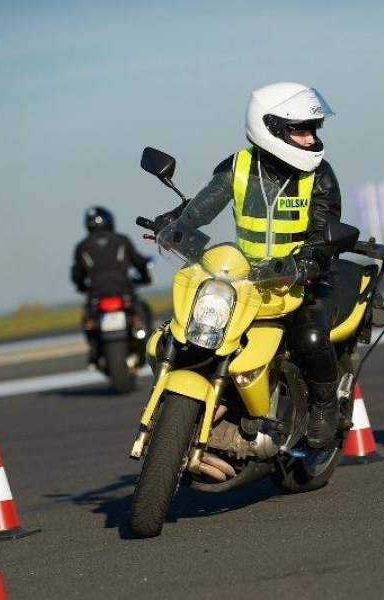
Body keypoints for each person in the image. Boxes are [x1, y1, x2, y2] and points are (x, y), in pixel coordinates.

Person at [153, 82, 343, 449]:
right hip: (245, 279)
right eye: (299, 129)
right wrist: (174, 223)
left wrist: (311, 260)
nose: (310, 138)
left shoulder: (319, 175)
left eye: (312, 129)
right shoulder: (238, 166)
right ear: (269, 127)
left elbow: (325, 232)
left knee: (310, 337)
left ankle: (324, 405)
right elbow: (201, 208)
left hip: (302, 276)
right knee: (187, 330)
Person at [71, 206, 153, 366]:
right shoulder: (121, 240)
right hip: (125, 292)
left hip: (96, 296)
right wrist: (145, 277)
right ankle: (147, 342)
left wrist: (82, 287)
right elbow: (139, 262)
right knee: (143, 311)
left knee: (89, 322)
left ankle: (94, 350)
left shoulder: (82, 246)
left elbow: (77, 275)